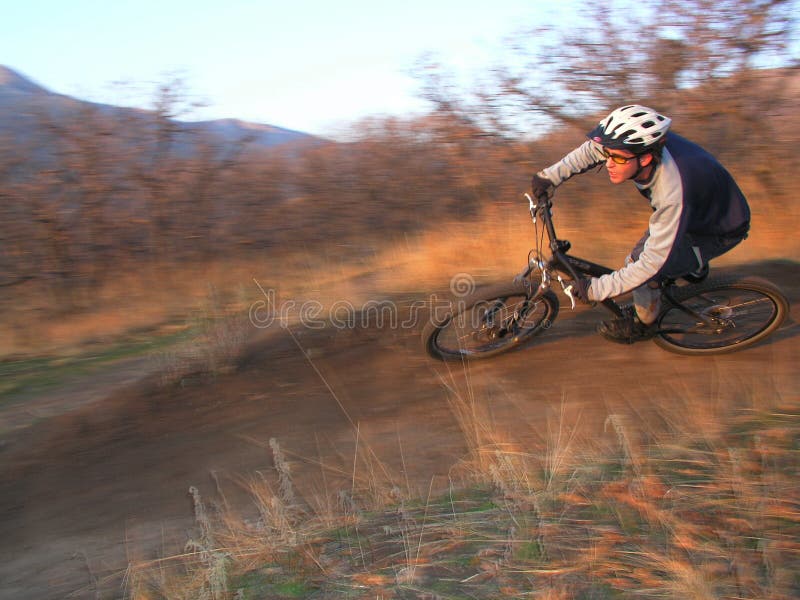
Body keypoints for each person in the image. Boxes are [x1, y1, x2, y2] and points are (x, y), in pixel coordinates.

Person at [530, 105, 751, 344]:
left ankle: (643, 325)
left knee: (642, 269)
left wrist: (596, 289)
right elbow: (592, 151)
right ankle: (691, 268)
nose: (608, 163)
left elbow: (649, 264)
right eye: (608, 154)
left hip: (717, 229)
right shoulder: (637, 148)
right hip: (699, 209)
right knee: (656, 258)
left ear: (645, 158)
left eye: (616, 158)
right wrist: (550, 176)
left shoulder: (672, 192)